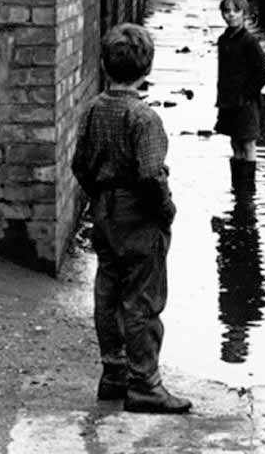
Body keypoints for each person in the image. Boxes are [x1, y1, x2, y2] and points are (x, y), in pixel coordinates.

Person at [71, 22, 191, 414]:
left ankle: (114, 373)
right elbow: (151, 174)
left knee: (107, 290)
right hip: (138, 214)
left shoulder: (92, 110)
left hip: (103, 209)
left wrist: (99, 197)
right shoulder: (144, 118)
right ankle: (145, 384)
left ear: (105, 66)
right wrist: (166, 211)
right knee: (142, 299)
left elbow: (80, 164)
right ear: (147, 70)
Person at [214, 0, 265, 192]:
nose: (231, 15)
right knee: (235, 142)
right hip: (229, 102)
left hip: (245, 103)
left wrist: (248, 93)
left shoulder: (249, 41)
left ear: (244, 14)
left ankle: (247, 190)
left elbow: (263, 70)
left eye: (236, 11)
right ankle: (237, 186)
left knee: (248, 143)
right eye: (226, 11)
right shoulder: (224, 40)